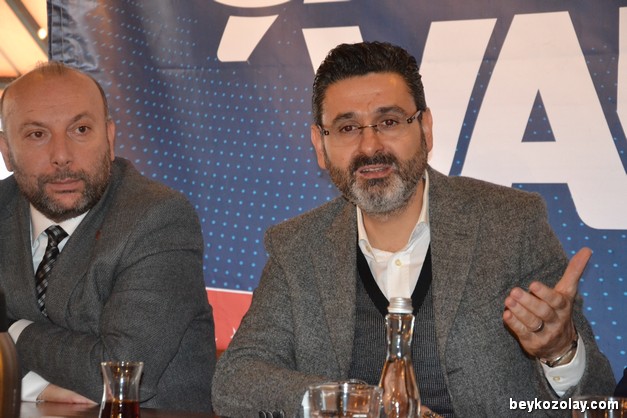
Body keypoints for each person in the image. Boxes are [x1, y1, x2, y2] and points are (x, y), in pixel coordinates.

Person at [212, 41, 616, 417]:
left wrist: (560, 353)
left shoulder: (510, 222)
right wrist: (359, 404)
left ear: (425, 128)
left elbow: (596, 397)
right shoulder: (297, 247)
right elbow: (236, 380)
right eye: (348, 128)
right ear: (320, 144)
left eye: (388, 121)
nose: (370, 147)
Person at [0, 62, 216, 413]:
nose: (62, 156)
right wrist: (33, 386)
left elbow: (123, 371)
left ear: (110, 138)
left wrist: (13, 330)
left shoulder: (158, 217)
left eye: (81, 129)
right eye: (37, 134)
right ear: (7, 151)